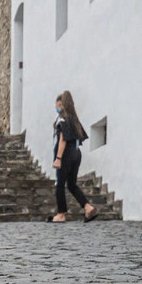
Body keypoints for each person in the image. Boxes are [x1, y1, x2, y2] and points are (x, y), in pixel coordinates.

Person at [51, 91, 98, 223]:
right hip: (76, 153)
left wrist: (58, 158)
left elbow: (63, 139)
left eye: (57, 105)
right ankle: (87, 207)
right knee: (71, 184)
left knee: (60, 184)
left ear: (61, 104)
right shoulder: (74, 119)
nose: (56, 108)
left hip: (65, 154)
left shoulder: (62, 118)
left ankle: (61, 214)